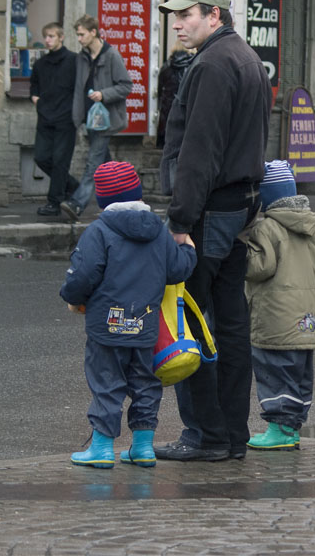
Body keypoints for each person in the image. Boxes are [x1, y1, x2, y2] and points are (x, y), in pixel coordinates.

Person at [154, 0, 271, 461]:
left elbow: (198, 152)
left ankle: (205, 435)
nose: (177, 23)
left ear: (214, 16)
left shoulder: (212, 64)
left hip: (209, 212)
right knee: (229, 325)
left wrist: (180, 221)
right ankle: (232, 434)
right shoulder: (244, 58)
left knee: (194, 324)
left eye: (187, 15)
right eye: (176, 15)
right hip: (240, 206)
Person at [60, 161, 197, 468]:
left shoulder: (99, 231)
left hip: (106, 327)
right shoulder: (158, 232)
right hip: (145, 326)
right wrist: (188, 248)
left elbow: (82, 275)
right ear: (138, 193)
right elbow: (177, 269)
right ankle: (143, 447)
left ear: (103, 198)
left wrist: (72, 298)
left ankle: (102, 447)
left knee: (106, 383)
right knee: (145, 382)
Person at [245, 161, 315, 451]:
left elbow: (260, 267)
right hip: (307, 316)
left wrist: (242, 251)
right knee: (299, 372)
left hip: (276, 318)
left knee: (275, 370)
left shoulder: (267, 227)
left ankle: (279, 428)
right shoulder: (311, 226)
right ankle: (292, 426)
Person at [60, 15, 132, 221]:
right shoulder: (82, 57)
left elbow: (126, 85)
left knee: (93, 162)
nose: (79, 39)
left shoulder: (111, 55)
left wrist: (104, 94)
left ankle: (77, 203)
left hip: (105, 119)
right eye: (77, 35)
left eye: (82, 34)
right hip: (90, 118)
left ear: (93, 32)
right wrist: (77, 117)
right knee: (105, 165)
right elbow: (78, 88)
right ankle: (120, 201)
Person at [30, 22, 78, 216]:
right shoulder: (41, 63)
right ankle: (72, 185)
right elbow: (34, 85)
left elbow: (81, 86)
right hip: (45, 117)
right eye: (46, 36)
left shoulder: (73, 61)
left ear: (61, 37)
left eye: (51, 36)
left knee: (60, 161)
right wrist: (36, 99)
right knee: (41, 157)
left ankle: (55, 202)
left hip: (66, 119)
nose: (48, 40)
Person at [156, 41, 195, 149]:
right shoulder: (193, 65)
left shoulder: (167, 65)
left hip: (168, 106)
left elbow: (160, 88)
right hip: (187, 107)